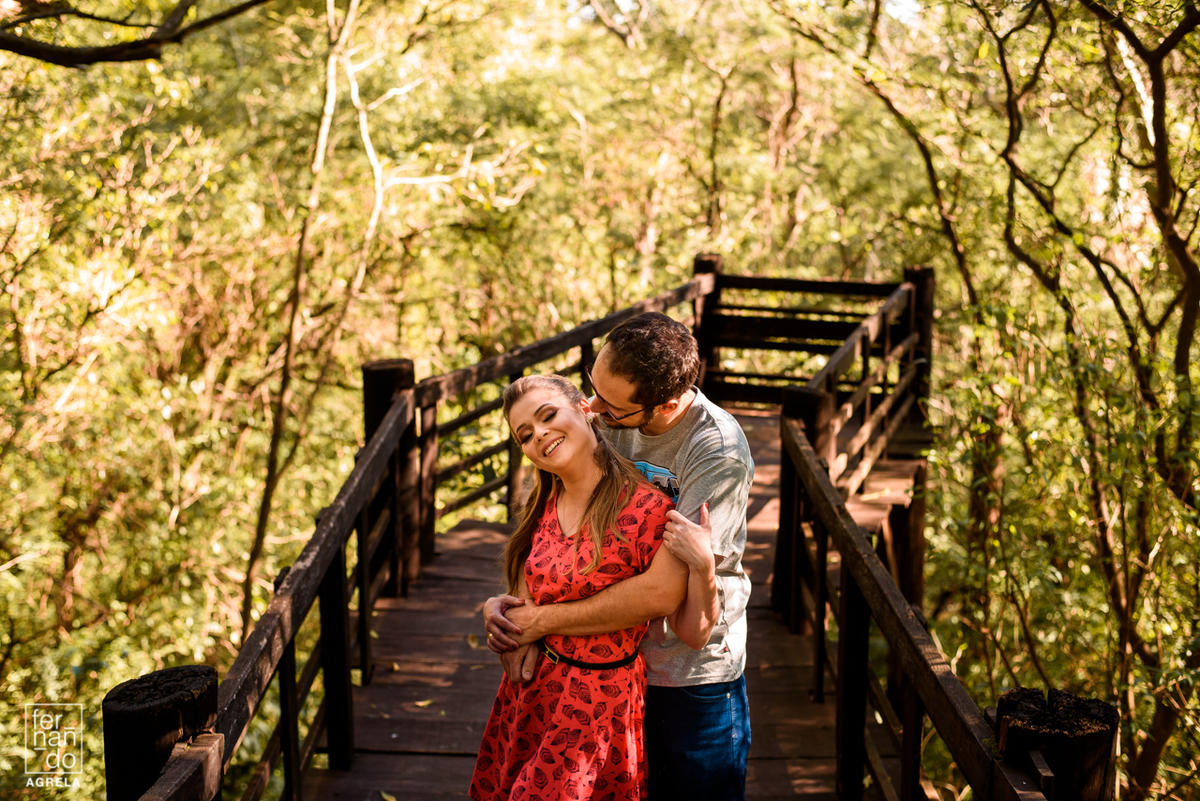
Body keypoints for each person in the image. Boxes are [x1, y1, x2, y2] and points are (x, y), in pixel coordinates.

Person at [485, 312, 755, 800]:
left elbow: (662, 591)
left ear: (665, 405)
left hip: (685, 674)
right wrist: (510, 608)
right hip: (589, 676)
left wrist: (540, 621)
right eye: (590, 388)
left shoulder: (716, 453)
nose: (590, 407)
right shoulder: (598, 414)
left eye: (607, 406)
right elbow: (548, 527)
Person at [469, 374, 695, 801]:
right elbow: (526, 586)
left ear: (584, 408)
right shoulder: (543, 503)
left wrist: (535, 623)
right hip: (528, 702)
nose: (540, 435)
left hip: (595, 707)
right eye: (526, 435)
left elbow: (661, 596)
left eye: (547, 416)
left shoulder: (647, 509)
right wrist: (504, 617)